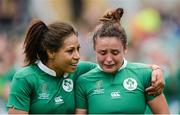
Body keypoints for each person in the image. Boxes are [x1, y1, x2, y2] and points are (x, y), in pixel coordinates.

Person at [7, 20, 164, 114]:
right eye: (70, 51)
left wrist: (156, 69)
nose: (77, 56)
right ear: (51, 52)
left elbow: (123, 66)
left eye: (78, 49)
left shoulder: (79, 70)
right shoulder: (25, 79)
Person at [75, 8, 170, 114]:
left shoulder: (145, 75)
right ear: (94, 49)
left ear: (125, 48)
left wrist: (157, 68)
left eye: (115, 53)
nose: (109, 59)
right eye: (103, 53)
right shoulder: (83, 81)